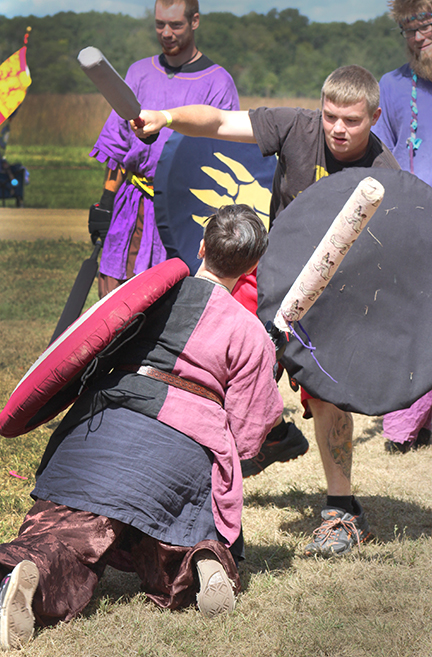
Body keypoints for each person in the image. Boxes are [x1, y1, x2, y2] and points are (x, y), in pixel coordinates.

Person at [132, 64, 400, 557]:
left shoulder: (385, 174)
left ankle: (342, 510)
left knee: (326, 395)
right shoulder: (296, 127)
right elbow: (216, 123)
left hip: (335, 295)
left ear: (375, 117)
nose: (338, 129)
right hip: (274, 274)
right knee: (215, 362)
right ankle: (266, 440)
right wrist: (166, 116)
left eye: (352, 121)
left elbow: (390, 260)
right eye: (331, 116)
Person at [0, 204, 284, 651]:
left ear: (203, 246)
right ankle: (202, 562)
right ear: (252, 267)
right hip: (181, 451)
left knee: (66, 533)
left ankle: (29, 570)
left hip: (99, 433)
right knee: (176, 530)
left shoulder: (147, 293)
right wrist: (270, 365)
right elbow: (249, 435)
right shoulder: (249, 332)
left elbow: (90, 346)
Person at [91, 0, 239, 299]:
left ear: (194, 21)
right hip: (131, 206)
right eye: (160, 24)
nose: (166, 33)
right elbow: (118, 148)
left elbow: (227, 158)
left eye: (176, 25)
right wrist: (105, 202)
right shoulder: (138, 73)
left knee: (170, 298)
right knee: (114, 294)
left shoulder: (218, 82)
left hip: (185, 210)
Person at [373, 0, 432, 453]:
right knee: (405, 323)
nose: (416, 37)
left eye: (425, 25)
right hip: (410, 223)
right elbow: (384, 157)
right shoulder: (391, 87)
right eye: (408, 30)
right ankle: (403, 425)